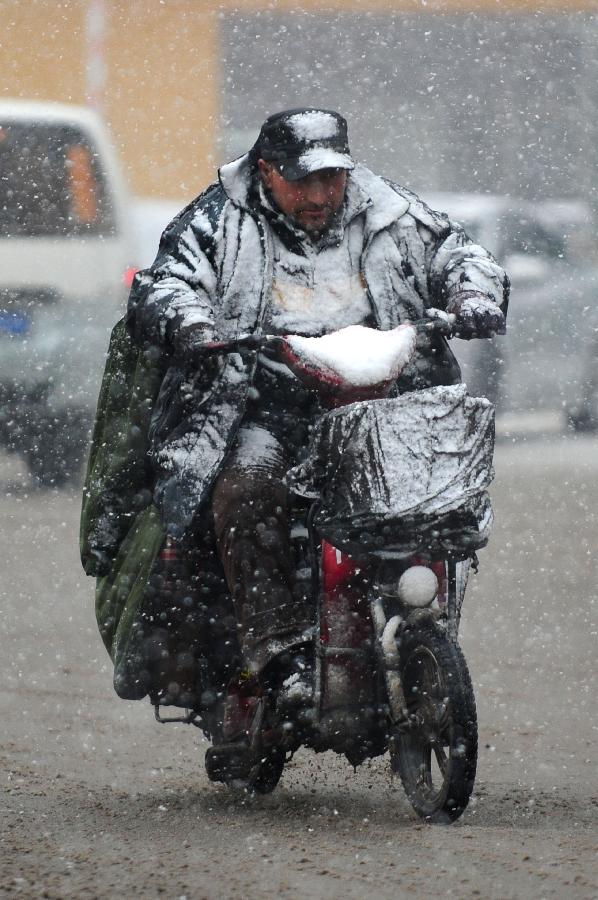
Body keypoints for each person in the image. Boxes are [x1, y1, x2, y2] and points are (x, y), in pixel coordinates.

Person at [127, 107, 508, 741]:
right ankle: (276, 654)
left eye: (329, 180)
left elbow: (462, 254)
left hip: (382, 404)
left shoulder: (394, 215)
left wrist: (473, 294)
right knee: (246, 490)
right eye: (302, 181)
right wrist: (190, 321)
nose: (317, 195)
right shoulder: (217, 219)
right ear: (265, 171)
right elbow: (167, 282)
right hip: (262, 407)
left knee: (431, 503)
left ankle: (411, 618)